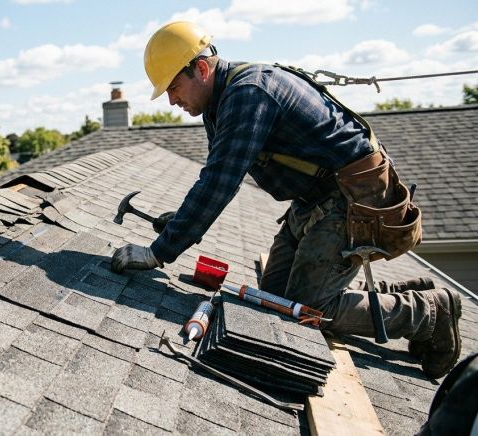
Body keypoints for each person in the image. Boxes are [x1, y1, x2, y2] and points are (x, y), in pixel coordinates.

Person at [110, 21, 461, 379]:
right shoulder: (219, 103)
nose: (171, 100)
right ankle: (402, 292)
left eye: (173, 87)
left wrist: (159, 252)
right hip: (314, 200)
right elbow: (217, 172)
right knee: (275, 299)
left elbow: (220, 182)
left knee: (305, 310)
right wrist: (181, 221)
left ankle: (430, 312)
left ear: (200, 69)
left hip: (350, 198)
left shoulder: (249, 93)